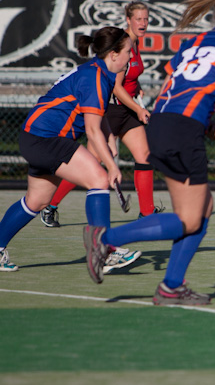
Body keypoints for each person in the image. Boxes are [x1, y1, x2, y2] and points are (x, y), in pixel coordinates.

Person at [83, 0, 215, 305]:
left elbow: (175, 87)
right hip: (182, 132)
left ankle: (171, 286)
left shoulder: (193, 44)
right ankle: (106, 239)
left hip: (162, 122)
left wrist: (206, 122)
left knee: (203, 207)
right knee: (190, 219)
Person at [0, 27, 140, 274]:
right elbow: (92, 130)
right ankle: (104, 251)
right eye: (128, 51)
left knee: (37, 200)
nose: (131, 56)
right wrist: (111, 166)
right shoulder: (95, 77)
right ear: (114, 54)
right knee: (99, 179)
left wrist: (109, 138)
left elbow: (97, 115)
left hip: (35, 137)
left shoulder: (100, 73)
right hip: (47, 138)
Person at [39, 1, 162, 228]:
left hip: (127, 110)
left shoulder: (134, 43)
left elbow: (129, 77)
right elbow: (115, 87)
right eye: (138, 19)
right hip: (111, 111)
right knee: (92, 163)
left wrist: (137, 87)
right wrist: (139, 108)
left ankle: (147, 213)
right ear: (128, 20)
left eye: (146, 19)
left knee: (144, 156)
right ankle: (50, 205)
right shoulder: (121, 44)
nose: (143, 23)